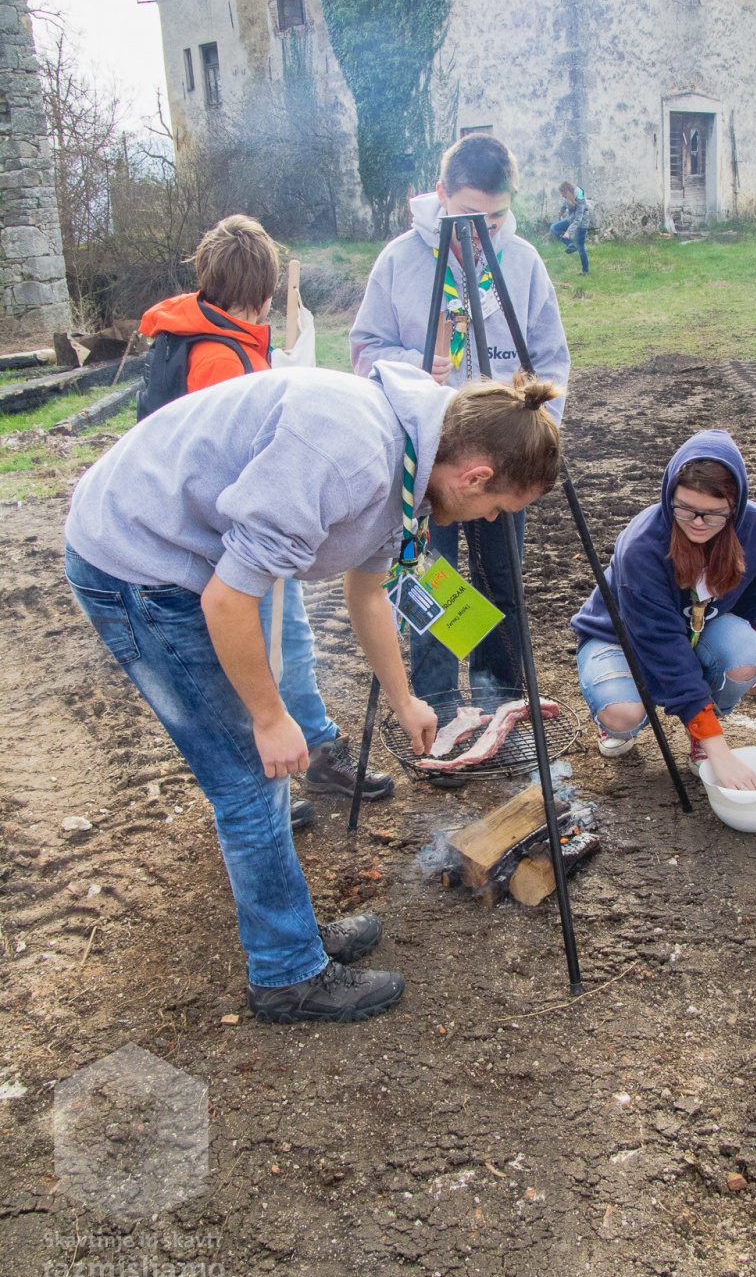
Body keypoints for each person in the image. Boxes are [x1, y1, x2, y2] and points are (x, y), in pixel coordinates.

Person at [65, 365, 561, 1022]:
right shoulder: (349, 455)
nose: (492, 517)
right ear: (473, 477)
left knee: (258, 775)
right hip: (139, 562)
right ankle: (285, 974)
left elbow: (369, 593)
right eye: (497, 507)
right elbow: (228, 598)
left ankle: (293, 934)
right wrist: (271, 718)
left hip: (194, 562)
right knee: (249, 778)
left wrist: (406, 697)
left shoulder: (416, 458)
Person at [139, 215, 394, 818]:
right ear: (261, 294)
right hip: (226, 537)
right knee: (264, 646)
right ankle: (271, 771)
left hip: (230, 530)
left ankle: (311, 746)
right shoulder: (218, 358)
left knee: (294, 639)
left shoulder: (188, 331)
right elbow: (234, 457)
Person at [350, 134, 571, 720]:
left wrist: (538, 437)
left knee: (504, 578)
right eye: (473, 214)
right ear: (442, 194)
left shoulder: (519, 259)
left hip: (504, 456)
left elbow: (550, 359)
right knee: (430, 577)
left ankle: (501, 696)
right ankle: (440, 703)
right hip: (431, 458)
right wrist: (416, 365)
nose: (486, 228)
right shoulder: (401, 258)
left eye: (497, 215)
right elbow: (365, 348)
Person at [571, 431, 756, 791]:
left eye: (713, 515)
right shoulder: (642, 545)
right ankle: (637, 717)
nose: (697, 523)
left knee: (742, 655)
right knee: (623, 714)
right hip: (621, 637)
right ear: (668, 496)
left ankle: (700, 733)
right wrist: (721, 752)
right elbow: (663, 645)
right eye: (684, 508)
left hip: (700, 628)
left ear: (735, 507)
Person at [550, 181, 590, 274]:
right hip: (570, 219)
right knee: (554, 228)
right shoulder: (569, 195)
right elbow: (565, 202)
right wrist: (562, 210)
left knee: (580, 247)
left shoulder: (580, 198)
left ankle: (585, 271)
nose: (562, 196)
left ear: (567, 192)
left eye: (562, 193)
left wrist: (569, 232)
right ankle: (570, 245)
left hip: (581, 222)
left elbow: (578, 220)